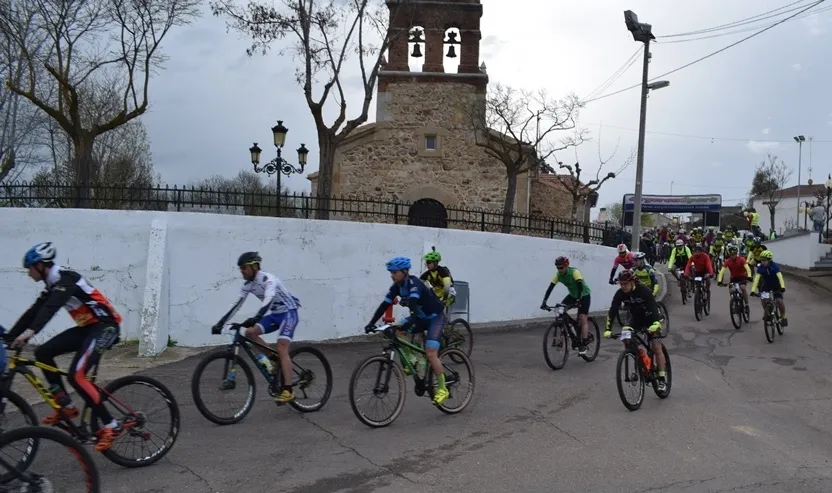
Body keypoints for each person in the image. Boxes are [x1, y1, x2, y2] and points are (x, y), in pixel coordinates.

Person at [5, 243, 123, 451]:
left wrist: (30, 333)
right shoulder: (52, 286)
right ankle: (66, 406)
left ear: (41, 265)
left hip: (106, 327)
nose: (28, 273)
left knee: (76, 375)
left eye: (30, 268)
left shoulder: (67, 280)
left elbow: (50, 309)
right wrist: (9, 336)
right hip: (88, 329)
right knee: (43, 353)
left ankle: (112, 425)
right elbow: (33, 312)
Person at [211, 252, 301, 404]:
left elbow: (269, 298)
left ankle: (288, 390)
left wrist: (257, 317)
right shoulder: (248, 285)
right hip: (274, 314)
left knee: (281, 347)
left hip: (289, 313)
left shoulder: (268, 279)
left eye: (244, 268)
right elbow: (237, 305)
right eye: (240, 269)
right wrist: (220, 322)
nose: (242, 272)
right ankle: (274, 360)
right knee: (250, 332)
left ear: (254, 266)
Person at [365, 257, 449, 405]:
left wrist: (412, 322)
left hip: (436, 317)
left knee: (430, 353)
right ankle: (412, 360)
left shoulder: (414, 284)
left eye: (394, 272)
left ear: (404, 272)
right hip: (420, 317)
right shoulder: (397, 286)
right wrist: (371, 323)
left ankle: (443, 389)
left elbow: (413, 303)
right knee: (396, 331)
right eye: (391, 272)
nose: (391, 275)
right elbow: (384, 305)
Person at [604, 270, 668, 392]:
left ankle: (661, 378)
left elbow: (653, 307)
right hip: (636, 320)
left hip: (651, 318)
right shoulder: (620, 293)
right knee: (626, 335)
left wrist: (656, 323)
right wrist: (608, 329)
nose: (622, 286)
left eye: (625, 284)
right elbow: (612, 310)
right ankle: (636, 355)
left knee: (656, 346)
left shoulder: (643, 290)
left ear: (633, 282)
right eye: (621, 284)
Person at [540, 256, 592, 355]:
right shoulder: (558, 275)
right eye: (557, 268)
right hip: (572, 295)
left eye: (561, 267)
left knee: (582, 318)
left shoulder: (574, 272)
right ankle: (562, 339)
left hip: (584, 295)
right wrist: (544, 302)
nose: (560, 270)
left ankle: (584, 343)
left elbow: (580, 286)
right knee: (560, 313)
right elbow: (549, 288)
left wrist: (578, 300)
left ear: (567, 265)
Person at [750, 250, 788, 327]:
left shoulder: (774, 266)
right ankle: (767, 313)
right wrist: (753, 290)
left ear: (769, 260)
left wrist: (783, 287)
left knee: (779, 301)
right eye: (761, 260)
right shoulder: (761, 267)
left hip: (777, 285)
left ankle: (783, 317)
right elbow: (756, 279)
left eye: (764, 260)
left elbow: (780, 277)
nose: (762, 262)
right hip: (766, 285)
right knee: (763, 300)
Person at [717, 244, 752, 314]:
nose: (733, 256)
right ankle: (734, 302)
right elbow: (721, 272)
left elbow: (748, 269)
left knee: (742, 288)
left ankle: (746, 304)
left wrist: (749, 276)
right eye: (731, 254)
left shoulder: (741, 259)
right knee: (731, 290)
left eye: (734, 254)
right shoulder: (727, 261)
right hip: (733, 278)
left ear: (737, 253)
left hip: (742, 276)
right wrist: (720, 280)